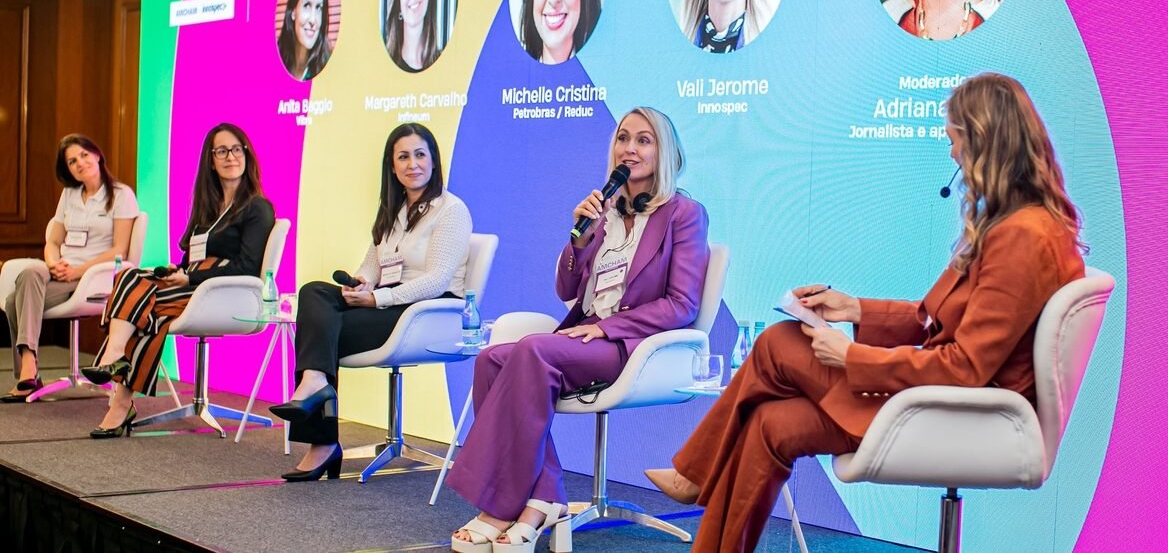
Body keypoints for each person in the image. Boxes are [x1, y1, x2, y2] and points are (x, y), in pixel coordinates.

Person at [645, 73, 1087, 552]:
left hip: (960, 414)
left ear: (985, 141)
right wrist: (852, 308)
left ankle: (694, 472)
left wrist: (852, 356)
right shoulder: (1017, 226)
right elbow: (929, 318)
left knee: (778, 343)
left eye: (956, 140)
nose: (952, 155)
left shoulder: (1023, 236)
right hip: (938, 401)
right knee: (770, 424)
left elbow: (965, 369)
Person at [447, 107, 710, 553]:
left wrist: (610, 329)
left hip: (632, 346)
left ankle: (505, 508)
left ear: (665, 152)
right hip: (582, 335)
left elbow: (682, 305)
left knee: (531, 350)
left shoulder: (683, 214)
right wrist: (579, 240)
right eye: (624, 138)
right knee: (493, 356)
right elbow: (566, 289)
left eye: (644, 140)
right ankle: (545, 496)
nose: (630, 148)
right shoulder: (605, 212)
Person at [268, 123, 471, 481]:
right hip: (386, 302)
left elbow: (438, 279)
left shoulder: (451, 210)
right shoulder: (394, 210)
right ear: (392, 167)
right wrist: (362, 283)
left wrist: (377, 297)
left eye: (420, 154)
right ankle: (315, 382)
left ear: (434, 161)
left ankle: (322, 441)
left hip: (425, 311)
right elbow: (372, 264)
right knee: (314, 292)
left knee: (323, 330)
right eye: (403, 157)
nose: (413, 164)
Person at [80, 124, 275, 438]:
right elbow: (191, 258)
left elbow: (247, 267)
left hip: (225, 295)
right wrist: (178, 271)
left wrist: (191, 275)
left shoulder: (257, 208)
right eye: (221, 151)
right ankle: (116, 362)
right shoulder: (207, 209)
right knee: (130, 275)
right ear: (210, 161)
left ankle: (118, 392)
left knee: (147, 314)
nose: (230, 156)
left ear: (247, 154)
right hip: (192, 286)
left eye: (236, 149)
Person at [2, 135, 138, 403]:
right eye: (72, 161)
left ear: (97, 155)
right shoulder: (69, 194)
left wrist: (79, 271)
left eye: (84, 155)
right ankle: (29, 367)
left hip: (93, 276)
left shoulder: (121, 195)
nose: (80, 163)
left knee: (11, 302)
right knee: (30, 273)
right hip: (61, 272)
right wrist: (53, 262)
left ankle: (28, 372)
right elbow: (53, 240)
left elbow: (120, 249)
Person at [277, 0, 334, 80]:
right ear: (293, 10)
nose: (313, 20)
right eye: (307, 5)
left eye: (319, 7)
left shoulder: (330, 65)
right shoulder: (276, 59)